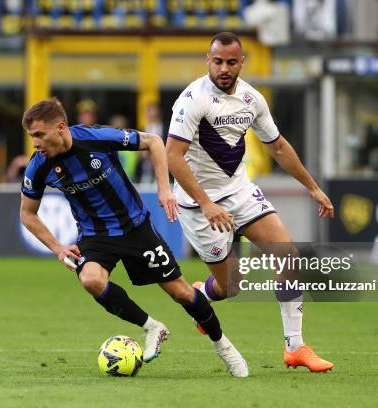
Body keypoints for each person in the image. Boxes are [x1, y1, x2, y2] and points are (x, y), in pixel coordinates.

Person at [20, 97, 248, 377]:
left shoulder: (96, 138)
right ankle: (152, 327)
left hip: (135, 228)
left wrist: (165, 189)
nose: (35, 143)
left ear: (60, 127)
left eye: (39, 135)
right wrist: (57, 247)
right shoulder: (38, 166)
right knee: (91, 280)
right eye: (32, 136)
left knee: (182, 293)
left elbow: (153, 141)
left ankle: (223, 346)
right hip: (96, 235)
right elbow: (27, 214)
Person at [165, 32, 335, 372]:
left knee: (288, 254)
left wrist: (312, 187)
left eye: (231, 62)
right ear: (207, 61)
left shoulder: (251, 98)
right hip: (199, 206)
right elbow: (173, 156)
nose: (224, 68)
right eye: (218, 61)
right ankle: (205, 293)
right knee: (230, 287)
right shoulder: (192, 99)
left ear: (243, 62)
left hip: (240, 191)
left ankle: (295, 347)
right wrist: (207, 203)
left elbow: (279, 147)